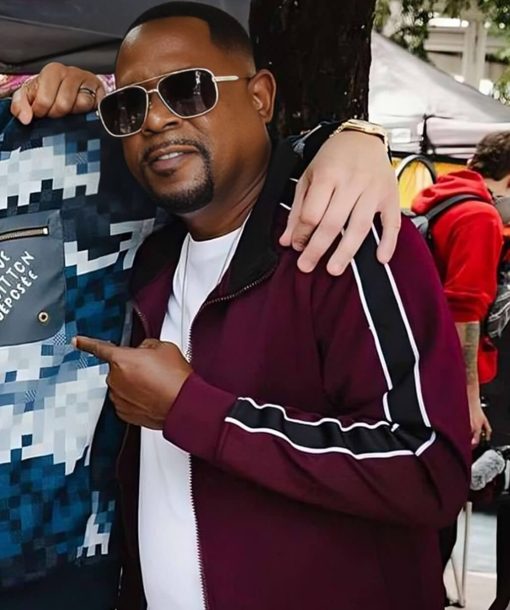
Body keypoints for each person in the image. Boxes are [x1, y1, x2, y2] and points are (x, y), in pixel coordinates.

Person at [0, 5, 404, 610]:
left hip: (60, 562)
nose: (156, 117)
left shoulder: (57, 142)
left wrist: (351, 138)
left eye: (182, 91)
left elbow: (221, 158)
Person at [411, 131, 510, 605]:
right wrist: (470, 401)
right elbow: (465, 314)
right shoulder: (478, 217)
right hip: (447, 390)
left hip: (419, 378)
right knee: (441, 520)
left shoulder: (437, 201)